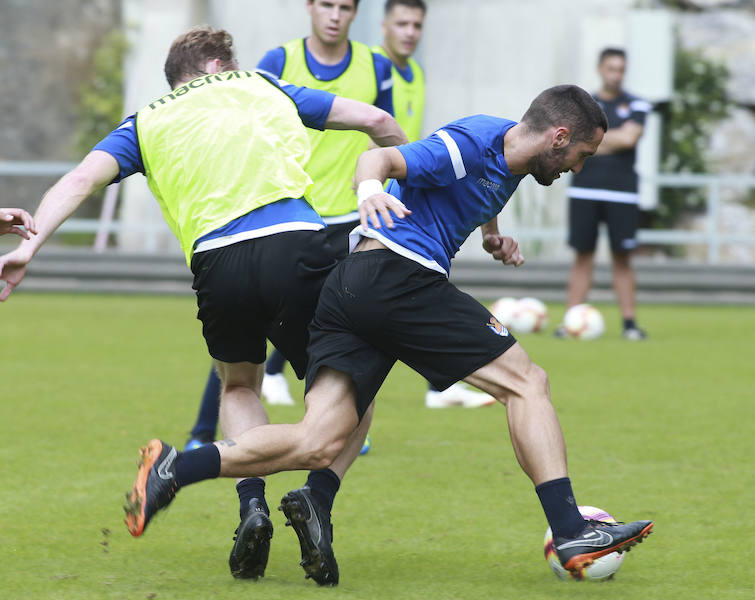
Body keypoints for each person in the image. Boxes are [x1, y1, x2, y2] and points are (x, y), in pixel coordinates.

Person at [123, 84, 654, 585]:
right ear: (558, 137)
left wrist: (493, 236)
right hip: (398, 276)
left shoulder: (508, 151)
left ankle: (177, 466)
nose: (578, 168)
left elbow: (484, 187)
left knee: (318, 440)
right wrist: (372, 189)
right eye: (582, 154)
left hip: (354, 287)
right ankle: (570, 531)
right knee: (526, 382)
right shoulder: (470, 141)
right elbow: (380, 158)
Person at [0, 25, 406, 581]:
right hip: (296, 247)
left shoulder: (146, 120)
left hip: (217, 265)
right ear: (218, 66)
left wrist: (31, 245)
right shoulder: (264, 84)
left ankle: (252, 507)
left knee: (238, 384)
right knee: (351, 387)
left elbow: (80, 180)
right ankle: (316, 497)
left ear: (177, 78)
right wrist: (405, 193)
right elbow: (378, 122)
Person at [184, 0, 402, 452]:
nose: (335, 14)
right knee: (243, 332)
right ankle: (202, 433)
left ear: (355, 13)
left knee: (347, 329)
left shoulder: (375, 66)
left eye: (345, 7)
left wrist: (389, 193)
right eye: (327, 4)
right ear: (310, 7)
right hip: (287, 215)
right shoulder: (278, 62)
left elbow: (383, 128)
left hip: (348, 216)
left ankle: (337, 426)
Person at [372, 0, 494, 409]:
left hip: (394, 200)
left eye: (416, 25)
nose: (409, 31)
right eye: (401, 23)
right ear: (384, 24)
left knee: (416, 288)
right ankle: (273, 380)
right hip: (353, 197)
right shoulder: (370, 67)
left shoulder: (415, 74)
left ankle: (437, 386)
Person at [562, 47, 651, 341]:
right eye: (611, 68)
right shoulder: (584, 104)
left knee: (623, 258)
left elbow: (630, 138)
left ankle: (629, 325)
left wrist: (593, 140)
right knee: (582, 256)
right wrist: (610, 140)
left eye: (621, 69)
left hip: (622, 193)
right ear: (600, 69)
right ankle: (570, 321)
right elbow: (574, 140)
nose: (616, 74)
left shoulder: (637, 103)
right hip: (585, 190)